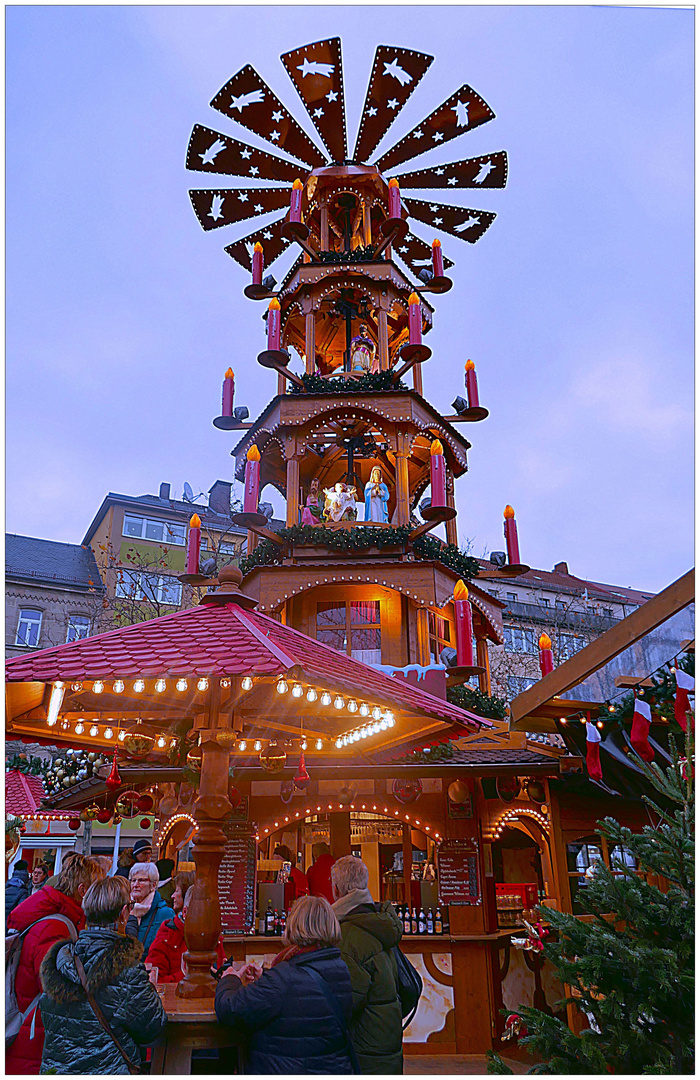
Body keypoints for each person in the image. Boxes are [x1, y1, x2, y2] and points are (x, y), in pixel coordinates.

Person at [39, 874, 167, 1075]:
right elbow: (152, 1027)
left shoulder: (58, 961)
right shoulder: (127, 971)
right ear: (124, 913)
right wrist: (148, 987)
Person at [215, 895, 354, 1073]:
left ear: (294, 925)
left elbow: (230, 1009)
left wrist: (230, 978)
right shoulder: (340, 969)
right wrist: (266, 978)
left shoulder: (283, 978)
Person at [6, 853, 105, 1074]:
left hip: (29, 1040)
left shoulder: (57, 919)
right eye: (98, 890)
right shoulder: (56, 928)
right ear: (82, 891)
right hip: (34, 1047)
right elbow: (57, 998)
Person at [331, 854, 404, 1074]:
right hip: (386, 1035)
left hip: (363, 1044)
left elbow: (349, 1000)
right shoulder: (380, 919)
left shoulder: (347, 935)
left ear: (337, 889)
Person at [146, 883, 226, 982]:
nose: (207, 920)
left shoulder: (214, 938)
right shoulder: (166, 938)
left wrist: (231, 977)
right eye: (201, 913)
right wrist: (186, 974)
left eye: (212, 914)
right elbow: (152, 983)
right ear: (185, 913)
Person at [126, 861, 174, 953]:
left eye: (141, 880)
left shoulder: (165, 913)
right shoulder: (125, 908)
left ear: (153, 885)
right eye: (133, 880)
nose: (135, 885)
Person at [273, 844, 310, 910]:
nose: (277, 865)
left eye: (279, 862)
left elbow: (303, 896)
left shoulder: (298, 875)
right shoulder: (275, 875)